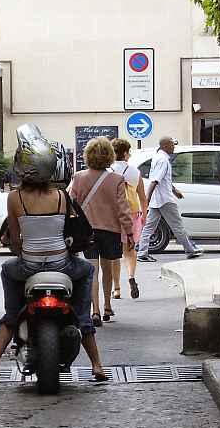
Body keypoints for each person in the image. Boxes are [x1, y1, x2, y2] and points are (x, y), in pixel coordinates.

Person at [0, 125, 108, 384]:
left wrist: (23, 251)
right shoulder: (62, 196)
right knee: (87, 270)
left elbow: (16, 239)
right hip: (62, 265)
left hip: (28, 265)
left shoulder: (15, 198)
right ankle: (95, 361)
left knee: (8, 276)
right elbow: (68, 234)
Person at [68, 137, 134, 325]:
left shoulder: (78, 178)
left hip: (87, 231)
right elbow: (124, 209)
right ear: (110, 156)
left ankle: (94, 311)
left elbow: (72, 206)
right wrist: (129, 233)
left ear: (87, 155)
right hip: (111, 231)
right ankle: (107, 306)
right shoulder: (116, 179)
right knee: (107, 268)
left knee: (92, 270)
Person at [137, 136, 203, 262]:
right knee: (177, 226)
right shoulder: (163, 160)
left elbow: (160, 180)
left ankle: (142, 252)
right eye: (172, 145)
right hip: (165, 200)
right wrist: (146, 200)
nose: (174, 147)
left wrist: (174, 190)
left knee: (149, 227)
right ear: (165, 146)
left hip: (158, 200)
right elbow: (155, 181)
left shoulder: (158, 158)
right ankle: (190, 250)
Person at [109, 138, 147, 299]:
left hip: (113, 214)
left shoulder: (108, 171)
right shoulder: (134, 172)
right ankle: (131, 277)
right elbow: (142, 197)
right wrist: (144, 214)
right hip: (132, 213)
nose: (130, 155)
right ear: (125, 153)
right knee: (130, 251)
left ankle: (117, 288)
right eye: (129, 152)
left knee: (114, 254)